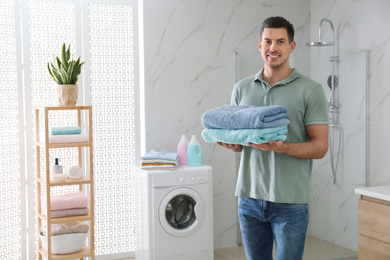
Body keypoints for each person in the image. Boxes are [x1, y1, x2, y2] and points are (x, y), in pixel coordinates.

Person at [217, 16, 329, 260]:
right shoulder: (241, 89)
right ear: (260, 46)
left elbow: (320, 147)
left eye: (280, 41)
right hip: (249, 198)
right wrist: (233, 144)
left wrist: (282, 147)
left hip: (290, 202)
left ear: (291, 46)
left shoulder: (311, 90)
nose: (273, 48)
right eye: (267, 41)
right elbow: (241, 141)